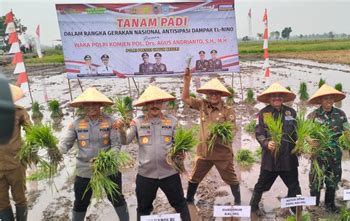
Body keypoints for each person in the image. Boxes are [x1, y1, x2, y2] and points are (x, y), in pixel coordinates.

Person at [116, 85, 191, 221]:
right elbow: (125, 141)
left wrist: (181, 153)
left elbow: (180, 144)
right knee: (143, 209)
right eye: (151, 102)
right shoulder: (137, 122)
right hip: (146, 175)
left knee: (180, 204)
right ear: (145, 105)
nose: (154, 105)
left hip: (170, 173)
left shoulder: (173, 122)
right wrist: (121, 130)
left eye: (157, 102)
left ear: (162, 103)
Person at [59, 88, 129, 221]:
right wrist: (56, 151)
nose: (91, 107)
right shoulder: (76, 123)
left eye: (95, 104)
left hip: (108, 169)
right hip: (84, 170)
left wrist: (108, 159)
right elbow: (66, 143)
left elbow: (116, 145)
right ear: (83, 106)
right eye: (88, 104)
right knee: (80, 202)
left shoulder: (111, 121)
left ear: (100, 105)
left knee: (117, 198)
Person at [181, 68, 241, 205]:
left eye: (217, 93)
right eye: (211, 93)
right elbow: (185, 98)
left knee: (231, 178)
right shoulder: (202, 105)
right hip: (204, 152)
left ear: (221, 95)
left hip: (222, 153)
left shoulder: (228, 111)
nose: (214, 96)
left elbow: (232, 130)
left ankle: (238, 202)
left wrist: (220, 133)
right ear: (207, 94)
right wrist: (187, 81)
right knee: (195, 177)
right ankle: (189, 199)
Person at [250, 83, 301, 215]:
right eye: (273, 96)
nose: (277, 98)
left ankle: (295, 209)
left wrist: (301, 140)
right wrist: (266, 143)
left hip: (288, 158)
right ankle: (253, 207)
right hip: (270, 159)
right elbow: (259, 134)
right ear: (269, 99)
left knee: (294, 186)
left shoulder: (291, 112)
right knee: (261, 185)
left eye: (279, 96)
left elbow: (299, 132)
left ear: (283, 98)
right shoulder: (263, 113)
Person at [306, 84, 347, 212]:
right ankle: (315, 205)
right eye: (325, 99)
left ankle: (330, 205)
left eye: (331, 98)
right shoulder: (313, 115)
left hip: (335, 155)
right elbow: (305, 133)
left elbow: (347, 131)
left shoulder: (340, 114)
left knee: (332, 180)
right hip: (318, 155)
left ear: (334, 100)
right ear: (320, 100)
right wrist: (310, 140)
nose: (328, 101)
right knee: (316, 181)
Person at [0, 84, 30, 221]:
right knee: (1, 202)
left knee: (20, 198)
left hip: (16, 163)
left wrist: (32, 148)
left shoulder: (19, 112)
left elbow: (32, 133)